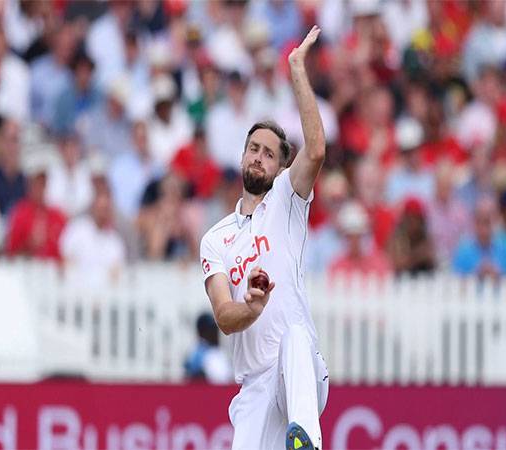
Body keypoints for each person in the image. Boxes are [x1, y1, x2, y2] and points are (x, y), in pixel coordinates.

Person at [200, 26, 329, 450]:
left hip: (300, 375)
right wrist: (251, 307)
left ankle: (306, 441)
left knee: (294, 336)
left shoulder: (286, 201)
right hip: (256, 383)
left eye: (269, 153)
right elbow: (223, 315)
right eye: (253, 148)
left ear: (279, 168)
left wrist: (295, 68)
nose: (258, 156)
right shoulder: (216, 239)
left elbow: (315, 151)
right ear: (241, 156)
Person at [184, 312, 233, 384]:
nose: (215, 333)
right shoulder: (197, 354)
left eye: (216, 329)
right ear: (202, 332)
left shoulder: (218, 351)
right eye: (211, 330)